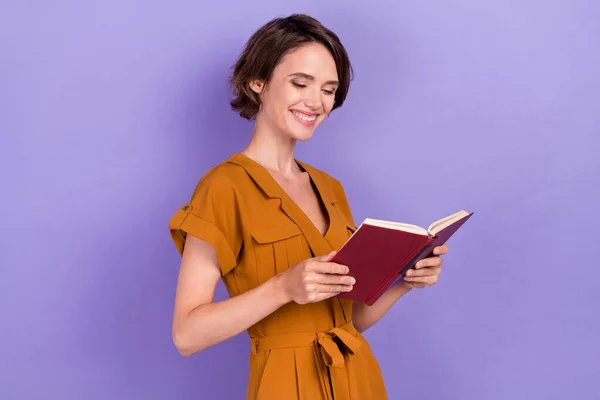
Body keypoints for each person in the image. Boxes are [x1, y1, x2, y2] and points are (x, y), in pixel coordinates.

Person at [168, 13, 448, 400]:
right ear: (258, 82)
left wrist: (403, 281)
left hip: (358, 378)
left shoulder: (330, 188)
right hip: (285, 385)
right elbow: (186, 334)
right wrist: (283, 288)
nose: (316, 102)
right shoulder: (223, 187)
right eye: (300, 83)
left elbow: (351, 318)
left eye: (329, 90)